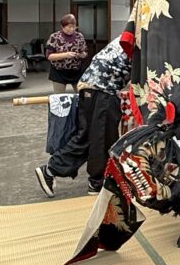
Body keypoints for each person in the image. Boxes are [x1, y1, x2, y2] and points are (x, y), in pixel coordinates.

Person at [35, 31, 134, 198]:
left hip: (88, 86)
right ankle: (97, 183)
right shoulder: (142, 40)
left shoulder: (129, 35)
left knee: (86, 137)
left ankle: (50, 170)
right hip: (103, 90)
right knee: (102, 139)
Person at [45, 14, 87, 93]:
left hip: (76, 71)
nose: (71, 29)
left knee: (82, 95)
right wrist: (65, 55)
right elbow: (49, 56)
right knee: (60, 96)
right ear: (62, 26)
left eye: (74, 27)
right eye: (69, 27)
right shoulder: (54, 37)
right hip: (58, 71)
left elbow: (84, 51)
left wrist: (81, 55)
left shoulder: (79, 36)